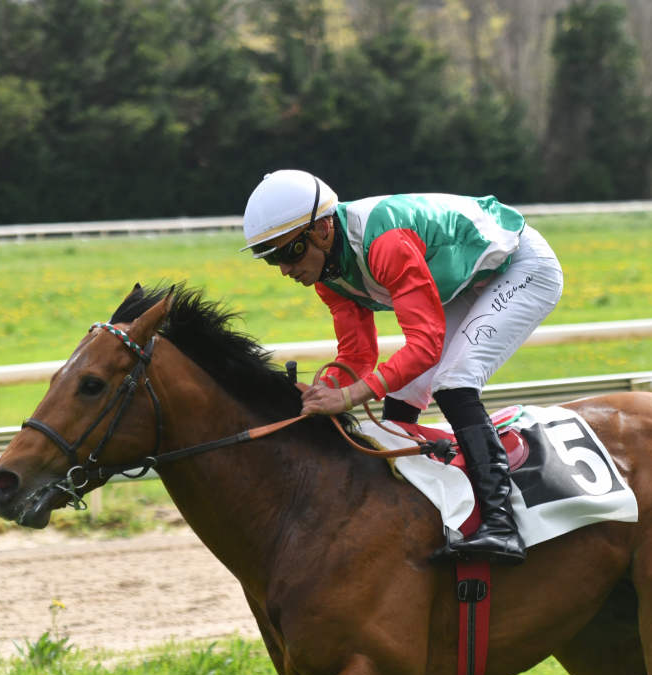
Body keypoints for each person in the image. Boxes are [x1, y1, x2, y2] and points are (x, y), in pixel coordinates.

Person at [240, 169, 564, 565]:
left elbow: (424, 346)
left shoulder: (385, 244)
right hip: (465, 282)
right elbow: (358, 357)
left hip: (520, 265)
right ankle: (415, 512)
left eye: (288, 252)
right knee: (401, 397)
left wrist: (350, 395)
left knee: (454, 382)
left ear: (323, 229)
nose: (286, 270)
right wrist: (320, 390)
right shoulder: (327, 274)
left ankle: (501, 523)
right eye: (272, 259)